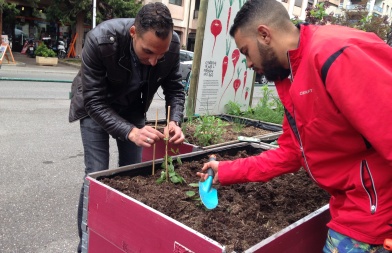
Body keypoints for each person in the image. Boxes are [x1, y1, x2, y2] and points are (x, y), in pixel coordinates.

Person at [197, 0, 392, 252]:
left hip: (373, 215)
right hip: (351, 205)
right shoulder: (294, 75)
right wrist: (225, 170)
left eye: (245, 51)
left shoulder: (334, 54)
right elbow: (290, 153)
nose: (247, 63)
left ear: (264, 34)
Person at [68, 2, 185, 252]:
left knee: (133, 174)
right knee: (96, 174)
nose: (154, 61)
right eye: (148, 52)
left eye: (160, 55)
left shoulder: (172, 45)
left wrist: (175, 119)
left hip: (133, 108)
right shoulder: (101, 40)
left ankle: (122, 239)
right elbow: (94, 101)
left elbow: (175, 88)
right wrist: (131, 131)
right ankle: (86, 244)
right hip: (95, 107)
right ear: (134, 33)